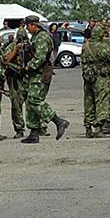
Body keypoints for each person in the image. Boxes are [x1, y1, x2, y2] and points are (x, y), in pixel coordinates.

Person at [20, 14, 69, 144]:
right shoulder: (36, 37)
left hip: (40, 73)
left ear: (33, 25)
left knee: (35, 100)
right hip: (35, 74)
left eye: (27, 26)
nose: (27, 29)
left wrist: (27, 67)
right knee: (30, 103)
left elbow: (40, 58)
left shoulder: (42, 37)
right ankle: (34, 132)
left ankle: (59, 121)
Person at [81, 22, 110, 138]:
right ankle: (99, 128)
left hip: (88, 77)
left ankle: (88, 127)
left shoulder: (85, 46)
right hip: (100, 77)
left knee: (88, 101)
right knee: (101, 100)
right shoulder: (102, 46)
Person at [4, 24, 32, 138]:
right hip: (16, 79)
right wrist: (16, 49)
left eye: (23, 38)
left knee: (33, 104)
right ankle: (19, 128)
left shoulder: (31, 46)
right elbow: (6, 60)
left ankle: (37, 127)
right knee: (16, 106)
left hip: (28, 78)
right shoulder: (11, 47)